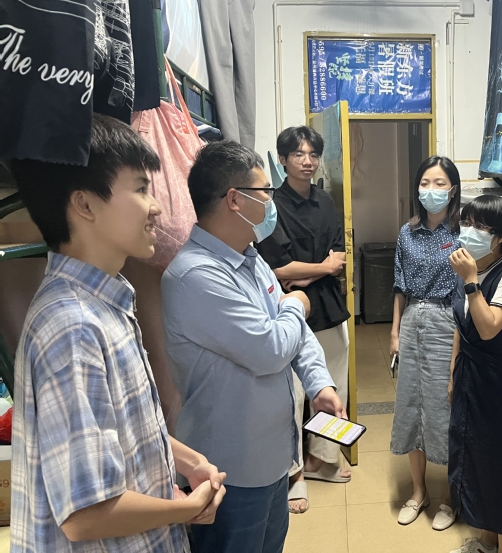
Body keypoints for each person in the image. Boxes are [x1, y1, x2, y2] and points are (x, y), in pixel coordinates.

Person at [9, 114, 226, 553]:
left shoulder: (105, 302)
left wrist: (186, 458)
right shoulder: (72, 326)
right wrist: (185, 509)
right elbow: (85, 514)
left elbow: (118, 431)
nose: (156, 206)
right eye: (141, 188)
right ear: (85, 205)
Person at [160, 140, 346, 553]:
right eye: (265, 192)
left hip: (273, 457)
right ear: (234, 200)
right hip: (230, 470)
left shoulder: (250, 258)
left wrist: (319, 383)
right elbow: (271, 348)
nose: (271, 202)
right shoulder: (196, 275)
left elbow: (294, 337)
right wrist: (297, 303)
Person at [256, 126, 351, 514]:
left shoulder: (326, 201)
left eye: (313, 154)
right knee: (293, 395)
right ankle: (294, 472)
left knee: (332, 383)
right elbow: (277, 269)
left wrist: (310, 272)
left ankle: (321, 458)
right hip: (287, 308)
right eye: (298, 154)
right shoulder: (270, 204)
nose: (307, 161)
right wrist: (322, 268)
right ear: (282, 159)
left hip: (328, 305)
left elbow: (338, 256)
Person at [447, 194, 502, 553]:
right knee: (473, 457)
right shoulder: (469, 268)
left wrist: (471, 282)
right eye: (466, 223)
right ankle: (485, 541)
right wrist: (453, 376)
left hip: (500, 384)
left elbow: (487, 328)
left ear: (500, 237)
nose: (469, 231)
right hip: (469, 376)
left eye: (480, 227)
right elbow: (461, 328)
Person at [390, 156, 461, 531]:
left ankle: (450, 496)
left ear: (453, 189)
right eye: (425, 183)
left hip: (446, 323)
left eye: (439, 183)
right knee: (410, 405)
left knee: (443, 407)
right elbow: (399, 285)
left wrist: (457, 354)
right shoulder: (407, 232)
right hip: (411, 322)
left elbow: (465, 294)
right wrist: (394, 332)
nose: (431, 190)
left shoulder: (463, 233)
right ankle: (419, 492)